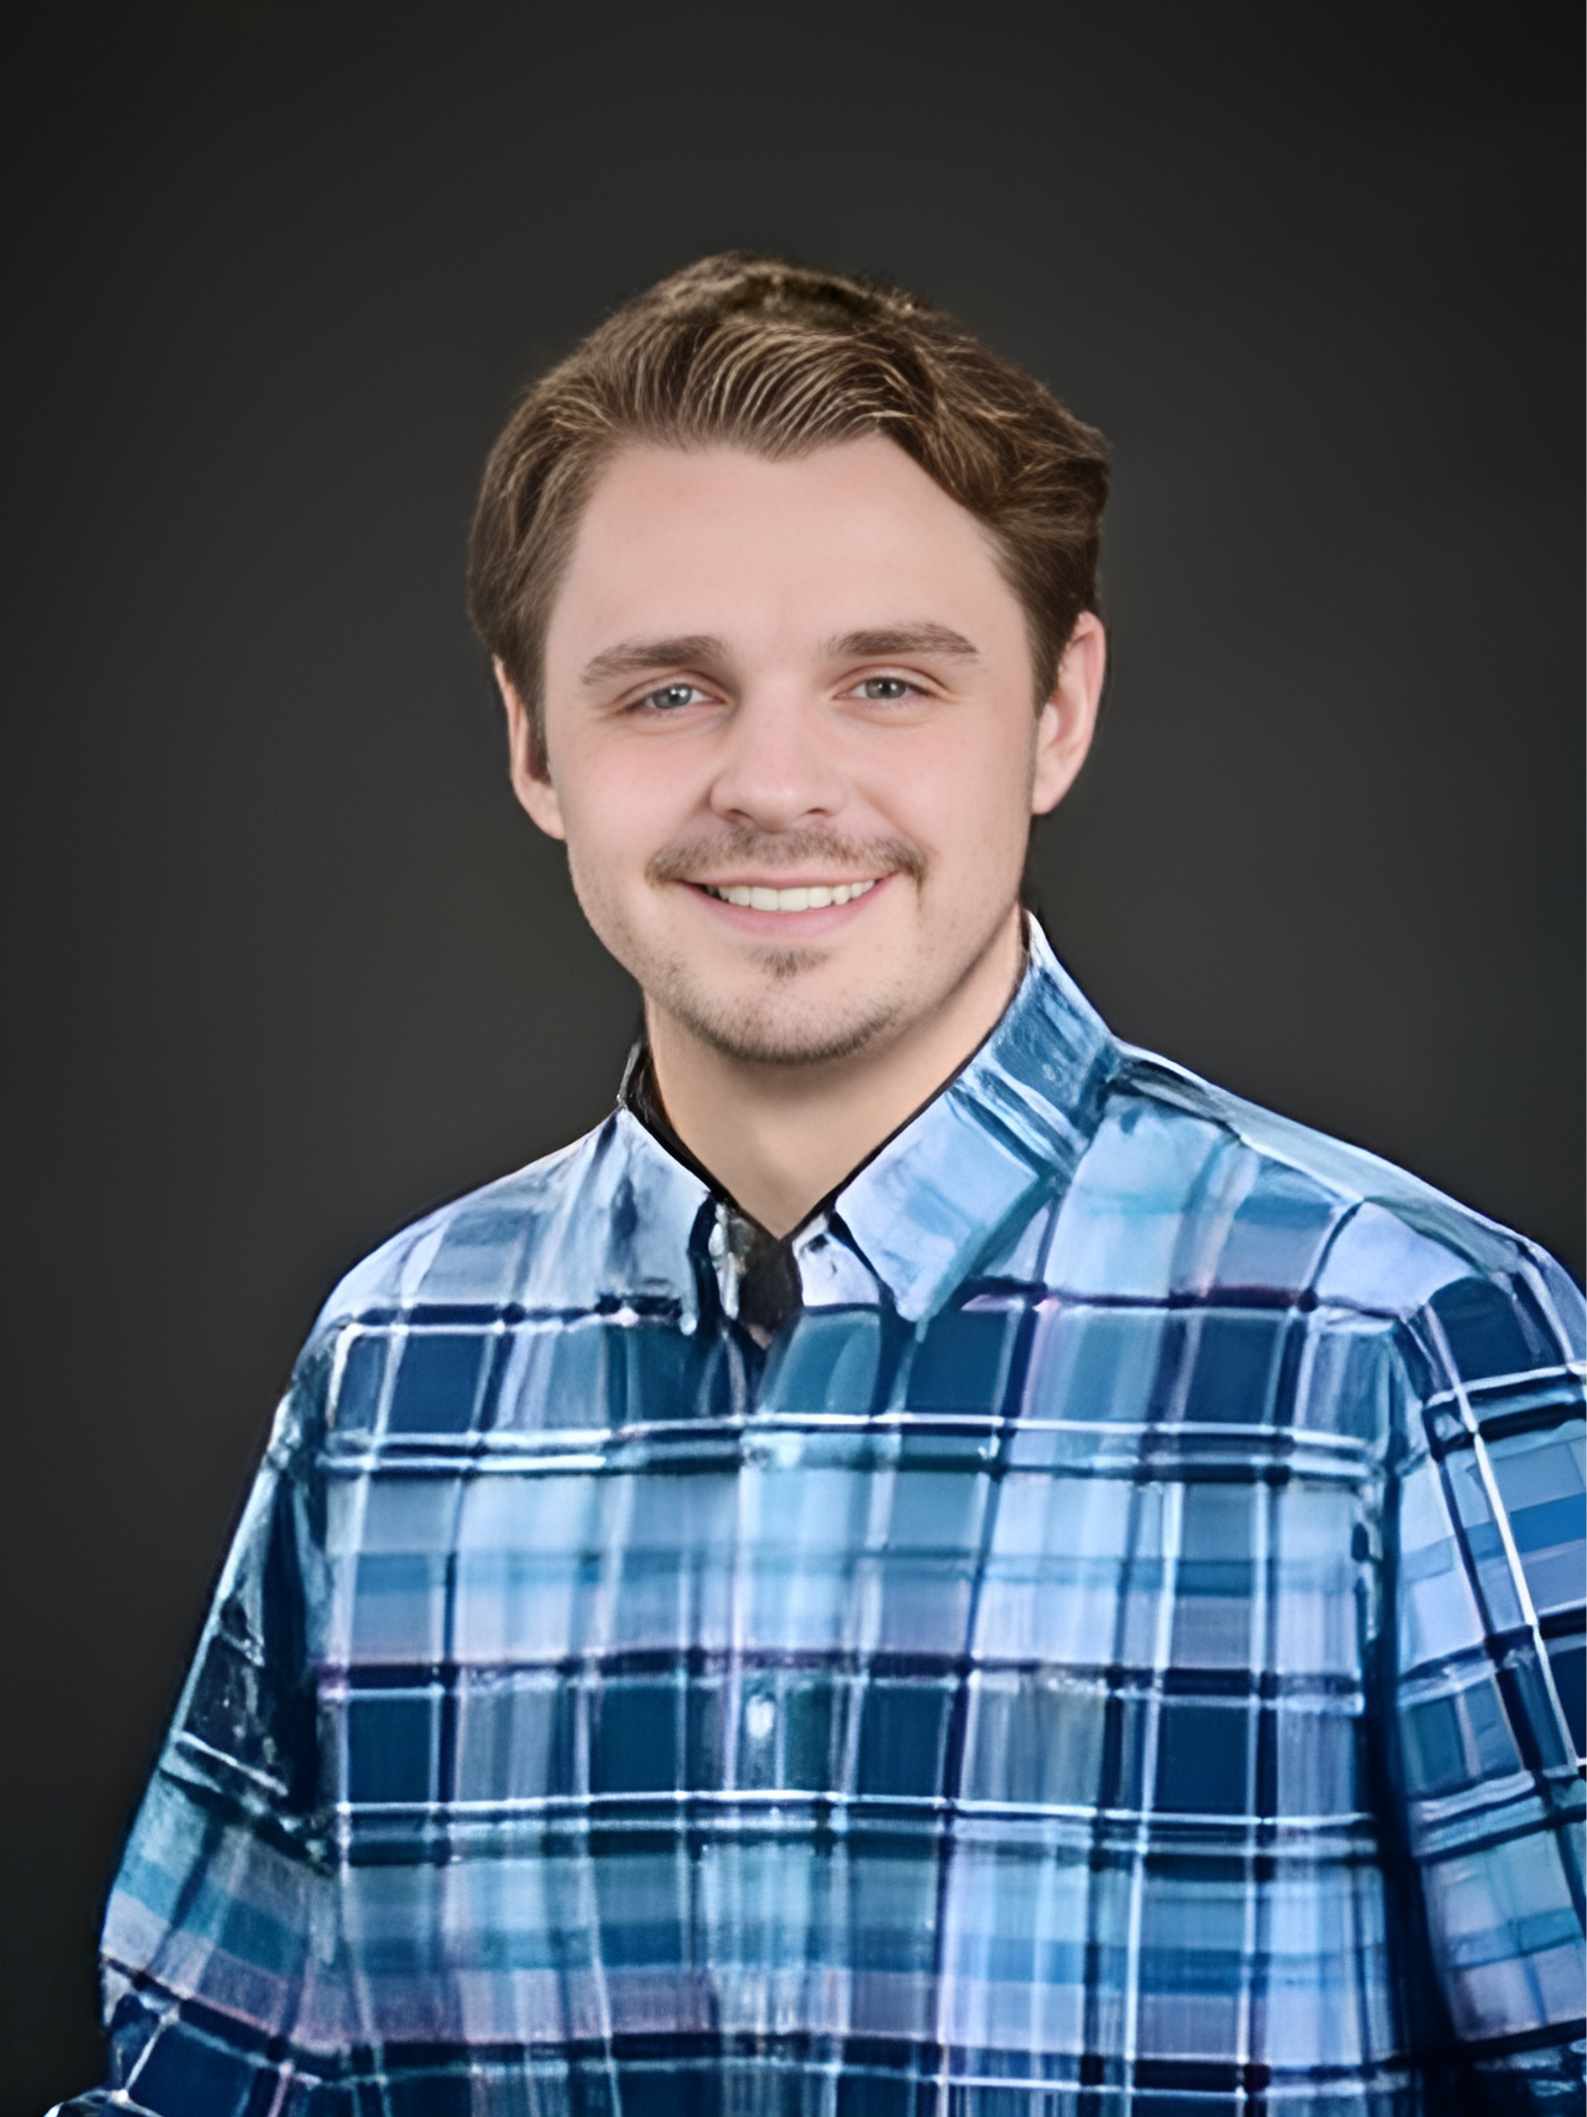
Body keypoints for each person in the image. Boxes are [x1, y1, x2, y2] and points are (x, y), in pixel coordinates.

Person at [54, 254, 1584, 2116]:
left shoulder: (1402, 1344)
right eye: (669, 691)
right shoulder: (393, 1374)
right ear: (536, 742)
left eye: (884, 680)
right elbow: (213, 2084)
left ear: (1055, 712)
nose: (774, 785)